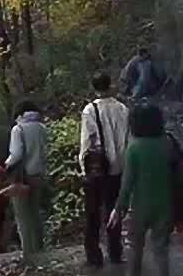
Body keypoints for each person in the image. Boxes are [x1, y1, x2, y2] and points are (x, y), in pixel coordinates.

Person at [108, 104, 173, 276]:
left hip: (139, 206)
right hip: (164, 204)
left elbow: (127, 183)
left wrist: (118, 208)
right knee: (161, 250)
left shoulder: (134, 148)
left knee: (135, 248)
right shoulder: (166, 143)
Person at [79, 73, 131, 267]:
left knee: (92, 214)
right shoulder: (122, 109)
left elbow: (87, 142)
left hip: (97, 169)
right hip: (117, 168)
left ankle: (94, 256)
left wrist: (83, 167)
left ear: (94, 88)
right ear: (110, 86)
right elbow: (127, 138)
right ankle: (116, 252)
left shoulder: (89, 110)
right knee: (114, 210)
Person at [4, 99, 49, 260]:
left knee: (23, 216)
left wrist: (6, 164)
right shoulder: (42, 128)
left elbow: (16, 154)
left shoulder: (18, 129)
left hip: (22, 177)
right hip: (39, 174)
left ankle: (29, 253)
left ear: (19, 113)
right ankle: (40, 249)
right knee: (35, 213)